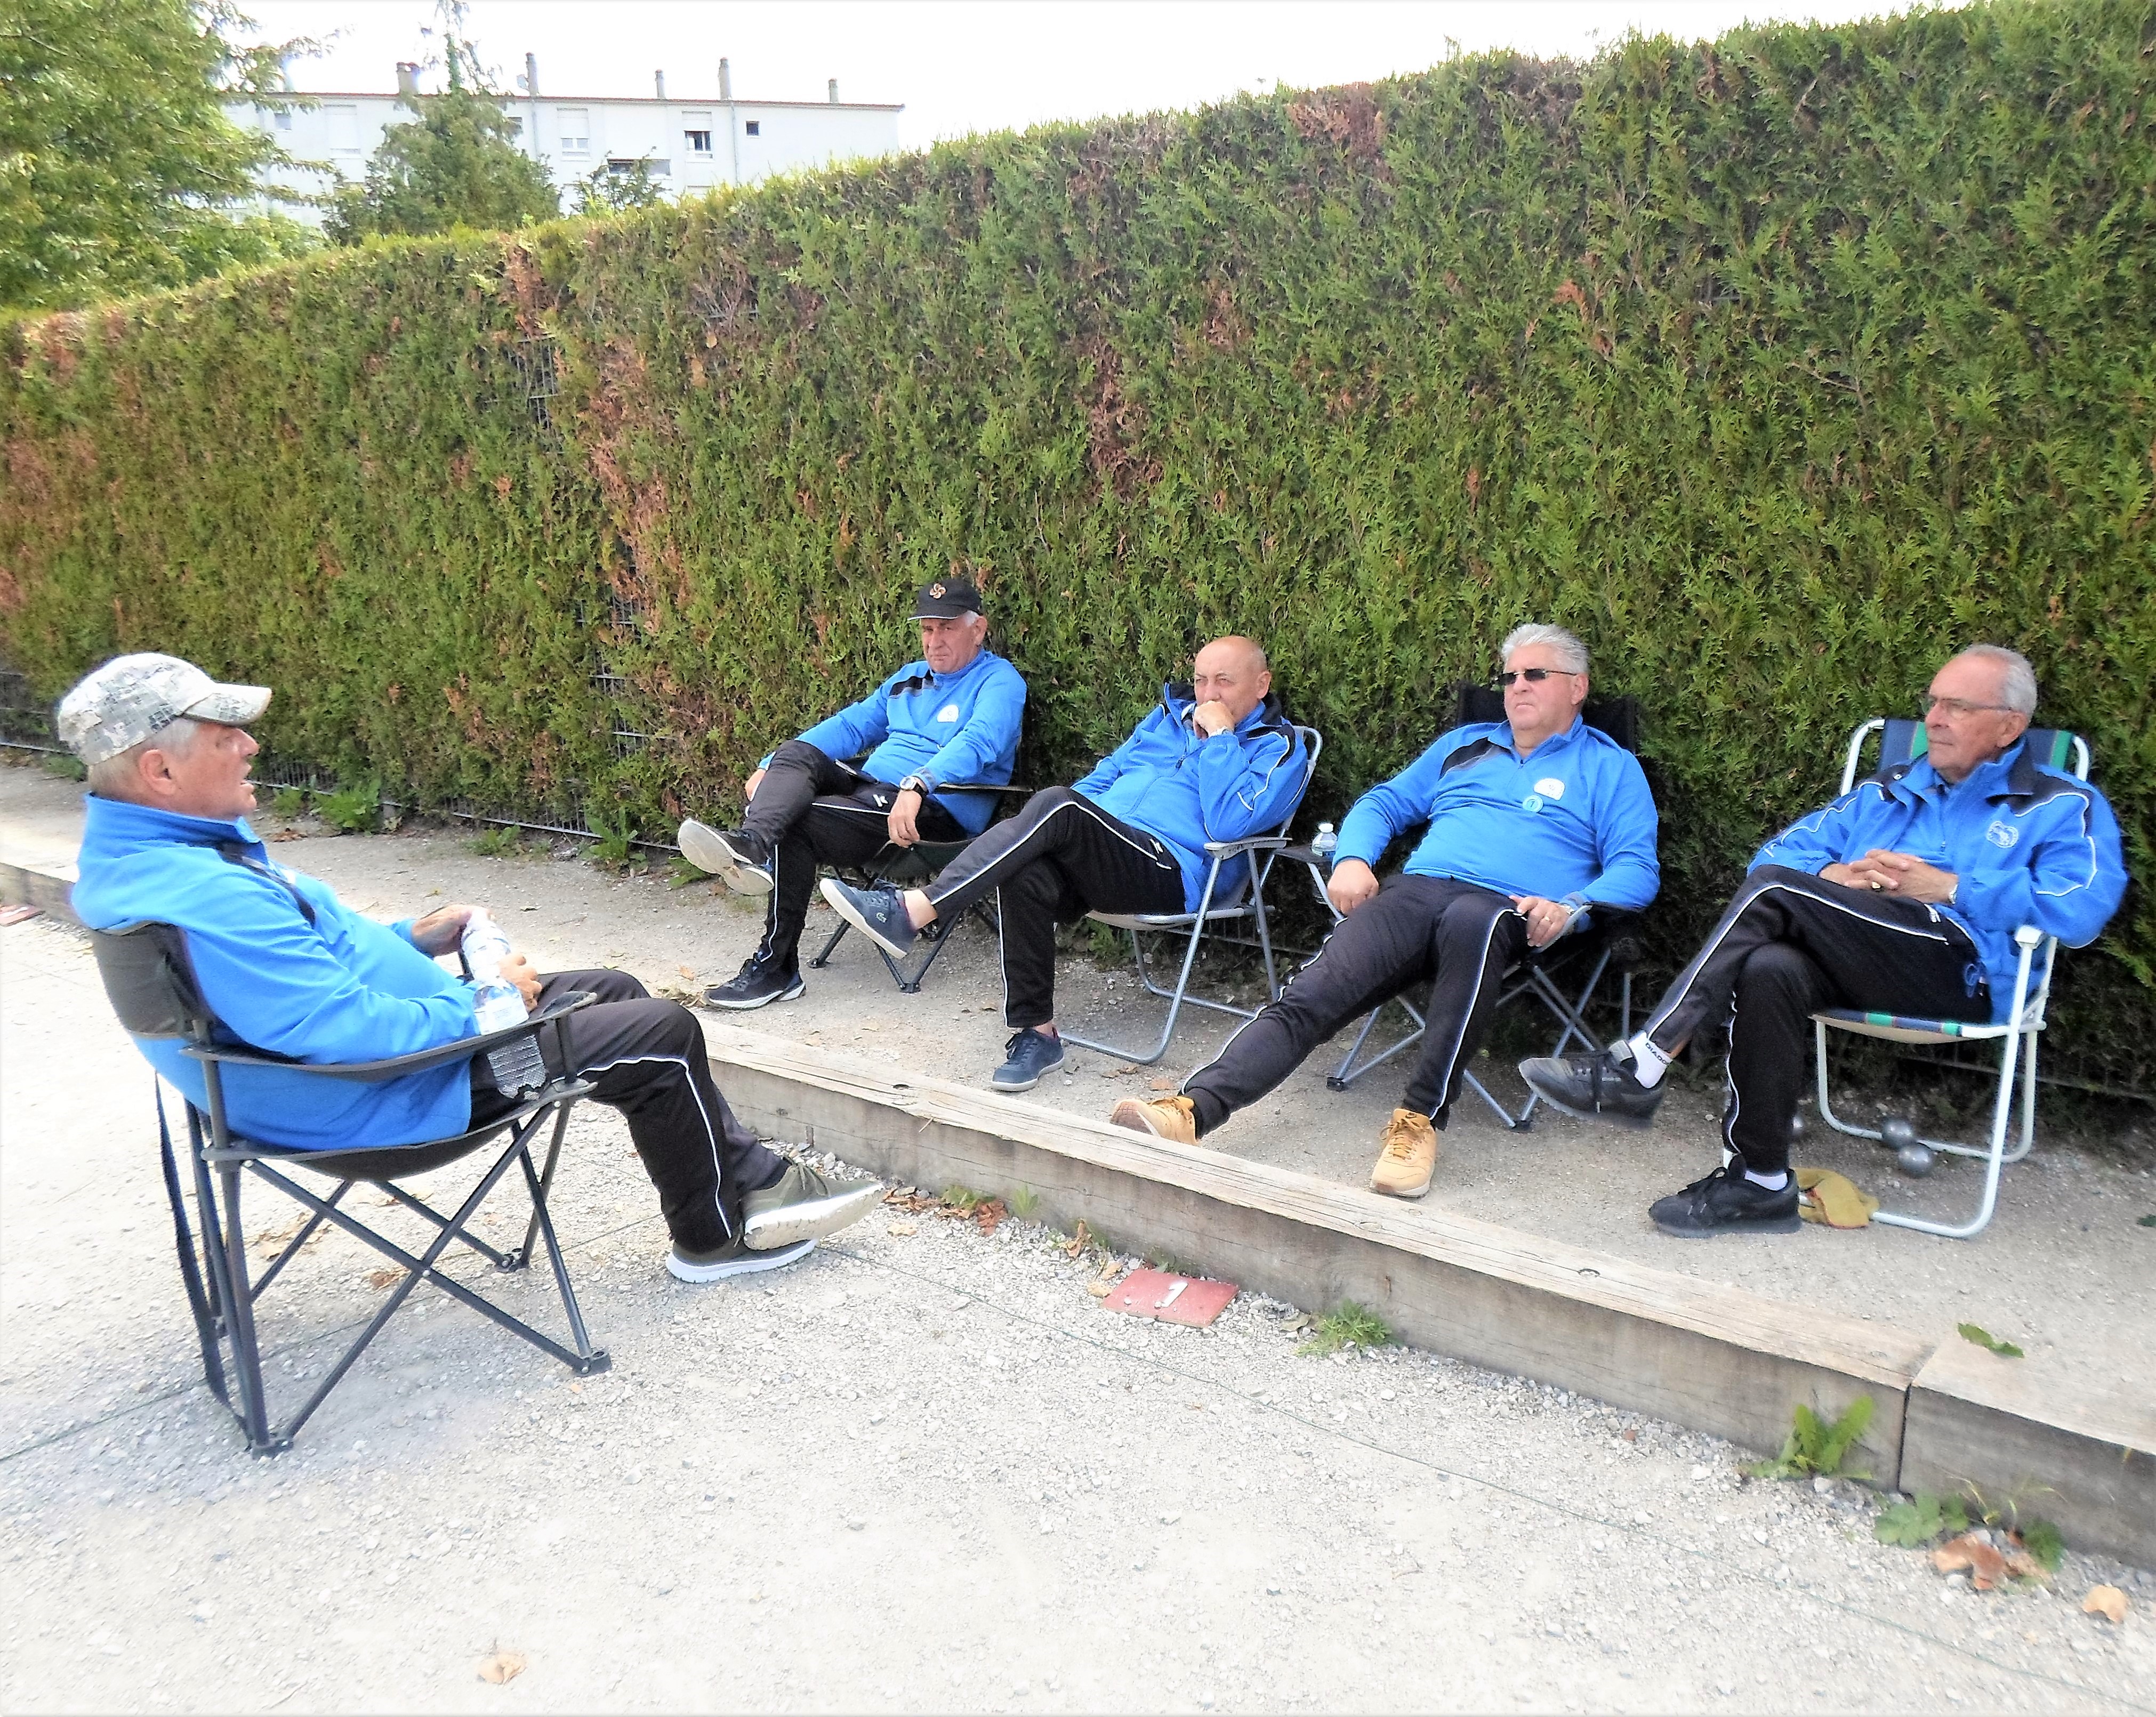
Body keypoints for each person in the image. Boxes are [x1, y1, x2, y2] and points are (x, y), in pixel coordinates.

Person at [60, 653, 883, 1284]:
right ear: (159, 771)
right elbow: (340, 1032)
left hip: (371, 1076)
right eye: (221, 736)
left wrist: (409, 939)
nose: (248, 746)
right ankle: (715, 1235)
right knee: (658, 1031)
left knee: (614, 991)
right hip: (388, 1094)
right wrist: (488, 1002)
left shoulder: (158, 863)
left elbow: (305, 966)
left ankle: (750, 1179)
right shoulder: (202, 894)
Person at [1519, 644, 2128, 1237]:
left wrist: (1951, 887)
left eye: (1958, 707)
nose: (1934, 720)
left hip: (1964, 970)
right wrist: (1836, 877)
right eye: (1932, 702)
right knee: (1770, 964)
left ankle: (1645, 1061)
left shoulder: (2059, 804)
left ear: (2009, 726)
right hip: (1866, 955)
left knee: (1775, 895)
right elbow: (1776, 859)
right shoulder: (1889, 791)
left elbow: (2081, 910)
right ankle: (1758, 1180)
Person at [1108, 624, 1659, 1198]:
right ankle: (1192, 1110)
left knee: (1477, 919)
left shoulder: (1609, 766)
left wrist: (1573, 907)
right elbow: (1385, 802)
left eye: (1535, 674)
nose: (1516, 686)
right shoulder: (1466, 744)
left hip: (1511, 910)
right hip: (1418, 892)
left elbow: (1636, 868)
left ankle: (1418, 1122)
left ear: (1578, 687)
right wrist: (1352, 858)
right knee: (1311, 996)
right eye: (1510, 676)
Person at [820, 635, 1305, 1091]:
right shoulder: (1167, 718)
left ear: (1261, 685)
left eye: (1224, 681)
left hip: (1173, 868)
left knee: (1060, 805)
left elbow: (1227, 824)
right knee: (1029, 860)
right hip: (1108, 846)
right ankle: (1037, 1033)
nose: (1207, 693)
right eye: (1200, 681)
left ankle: (913, 911)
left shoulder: (1280, 750)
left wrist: (1220, 738)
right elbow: (1105, 774)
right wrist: (1077, 824)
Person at [677, 577, 1026, 1010]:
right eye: (927, 629)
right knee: (796, 754)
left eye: (947, 628)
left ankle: (775, 967)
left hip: (935, 811)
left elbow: (981, 741)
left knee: (798, 821)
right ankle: (751, 845)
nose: (934, 641)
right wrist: (769, 764)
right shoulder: (910, 680)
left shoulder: (999, 681)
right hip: (870, 793)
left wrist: (920, 782)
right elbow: (850, 726)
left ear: (978, 629)